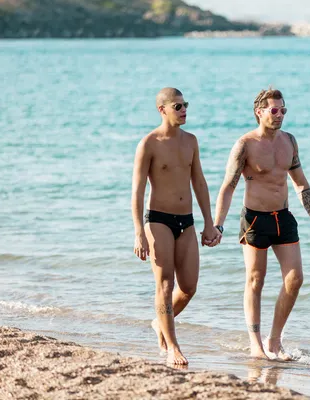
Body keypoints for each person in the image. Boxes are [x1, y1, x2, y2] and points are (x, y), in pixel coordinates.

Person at [213, 88, 310, 360]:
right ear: (260, 112)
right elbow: (228, 187)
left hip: (284, 217)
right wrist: (218, 224)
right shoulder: (245, 144)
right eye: (274, 110)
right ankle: (255, 342)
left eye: (283, 110)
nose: (280, 116)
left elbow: (300, 183)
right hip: (255, 220)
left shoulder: (289, 141)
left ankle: (274, 340)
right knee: (255, 279)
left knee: (295, 279)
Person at [131, 87, 220, 365]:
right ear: (163, 110)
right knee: (165, 285)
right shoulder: (149, 143)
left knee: (189, 287)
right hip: (158, 220)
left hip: (187, 221)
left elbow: (200, 183)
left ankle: (160, 324)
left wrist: (209, 223)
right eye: (178, 106)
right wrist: (138, 233)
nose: (184, 111)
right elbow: (137, 191)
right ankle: (172, 347)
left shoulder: (191, 141)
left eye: (185, 105)